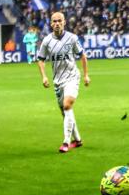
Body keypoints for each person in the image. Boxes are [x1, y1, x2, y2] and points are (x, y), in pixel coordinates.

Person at [36, 12, 90, 153]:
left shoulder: (72, 38)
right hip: (58, 81)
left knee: (67, 106)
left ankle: (66, 143)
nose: (57, 23)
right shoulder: (47, 41)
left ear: (64, 22)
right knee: (65, 112)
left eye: (60, 21)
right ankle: (77, 140)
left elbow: (82, 56)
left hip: (72, 77)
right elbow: (40, 59)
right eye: (54, 21)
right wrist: (44, 77)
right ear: (51, 23)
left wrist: (86, 75)